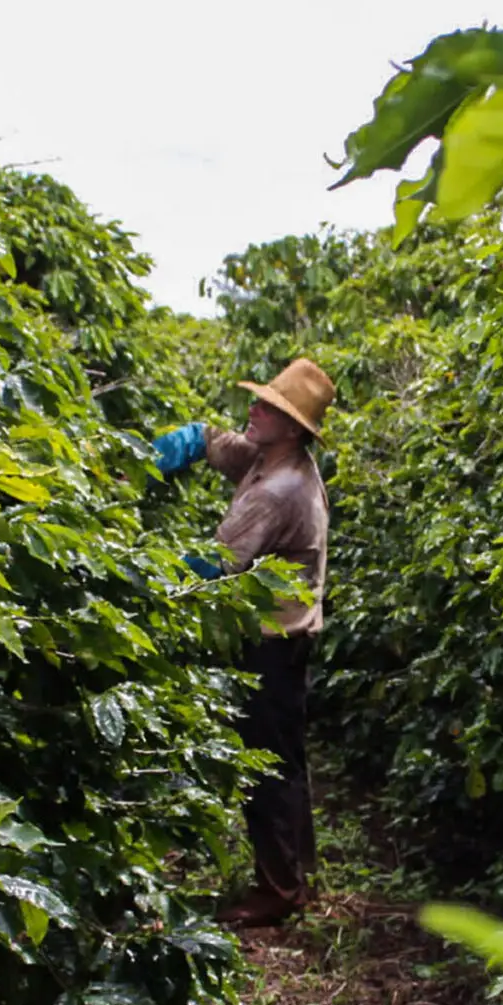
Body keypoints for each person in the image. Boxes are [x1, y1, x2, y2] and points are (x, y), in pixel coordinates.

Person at [149, 358, 334, 929]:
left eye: (269, 409)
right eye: (258, 402)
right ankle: (298, 875)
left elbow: (211, 564)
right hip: (288, 636)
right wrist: (194, 441)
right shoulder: (272, 457)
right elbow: (222, 446)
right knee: (287, 760)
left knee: (267, 767)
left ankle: (278, 891)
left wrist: (138, 573)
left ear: (295, 429)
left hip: (273, 644)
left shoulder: (279, 491)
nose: (254, 411)